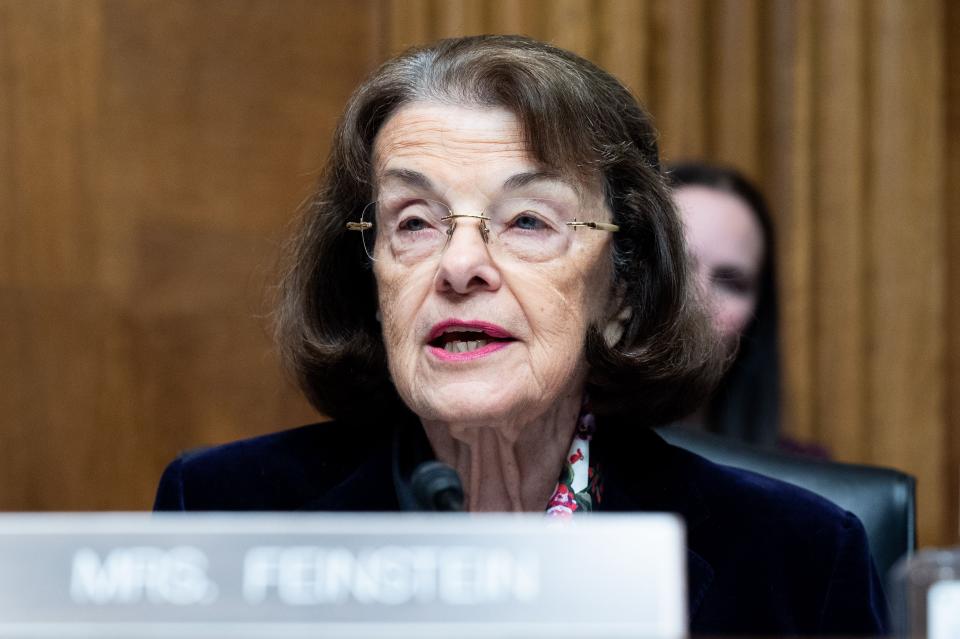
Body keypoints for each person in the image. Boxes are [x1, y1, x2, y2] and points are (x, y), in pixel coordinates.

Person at [154, 35, 886, 635]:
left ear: (621, 287)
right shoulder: (223, 511)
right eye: (414, 222)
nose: (461, 265)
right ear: (372, 278)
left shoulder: (796, 558)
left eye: (529, 221)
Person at [669, 162, 782, 446]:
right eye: (677, 267)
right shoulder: (554, 462)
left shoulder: (801, 482)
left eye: (730, 283)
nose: (699, 299)